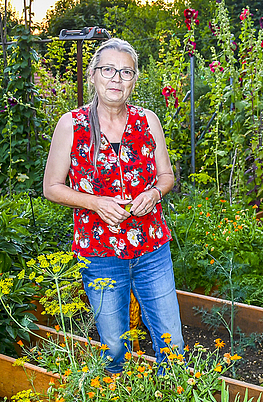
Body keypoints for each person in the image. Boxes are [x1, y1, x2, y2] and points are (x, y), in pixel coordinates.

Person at [43, 38, 184, 374]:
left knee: (172, 342)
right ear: (93, 75)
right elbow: (51, 187)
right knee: (114, 346)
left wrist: (155, 193)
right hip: (100, 251)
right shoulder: (72, 125)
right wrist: (96, 203)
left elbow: (167, 175)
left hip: (152, 248)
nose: (116, 79)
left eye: (126, 72)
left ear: (134, 80)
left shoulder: (148, 121)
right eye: (108, 70)